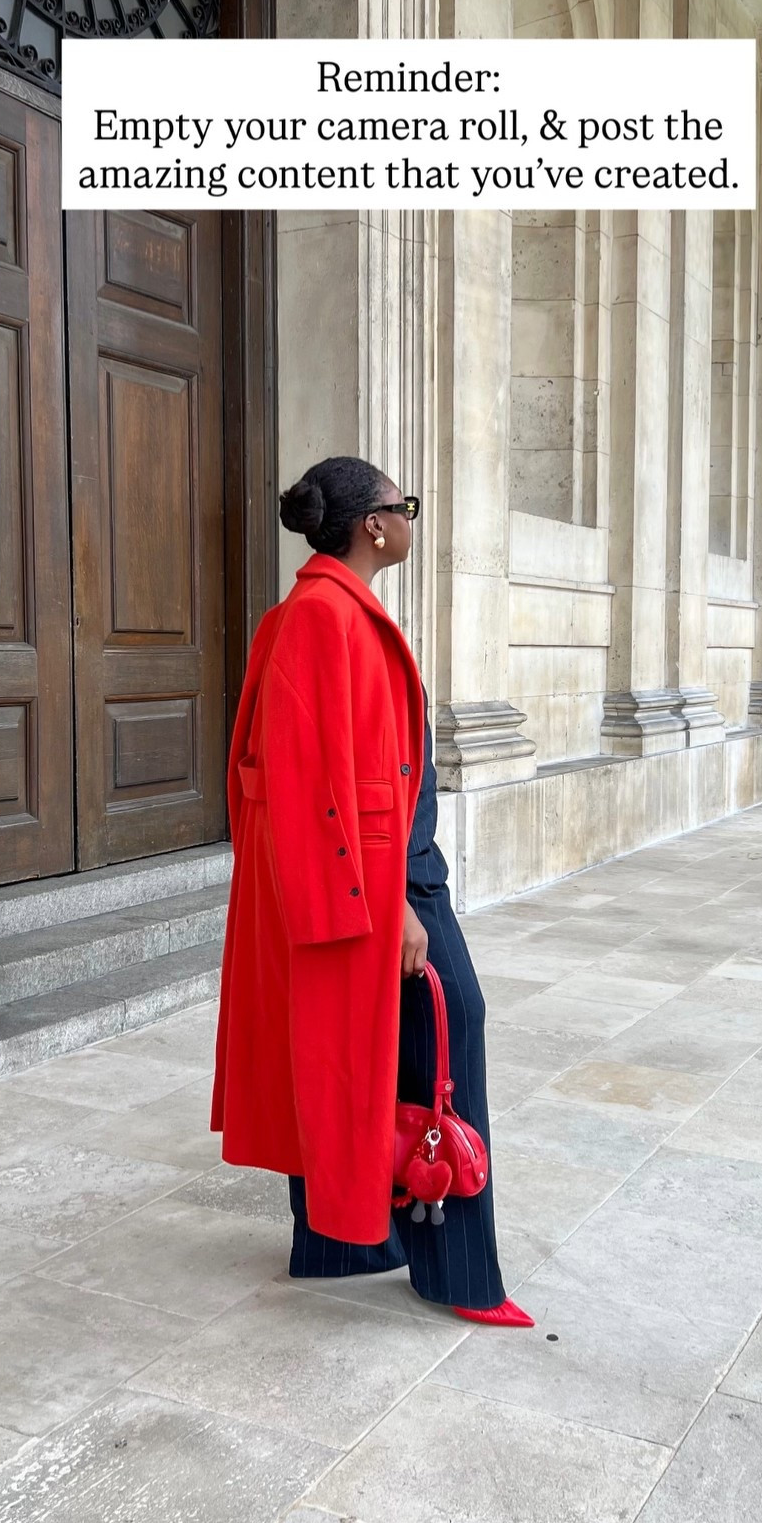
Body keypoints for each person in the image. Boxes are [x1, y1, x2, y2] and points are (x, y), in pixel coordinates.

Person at [211, 454, 532, 1327]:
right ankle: (460, 1274)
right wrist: (391, 913)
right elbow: (309, 780)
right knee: (448, 1031)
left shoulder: (328, 610)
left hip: (389, 869)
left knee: (360, 1056)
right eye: (405, 505)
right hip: (388, 880)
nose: (411, 518)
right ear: (373, 526)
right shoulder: (321, 616)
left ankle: (340, 1242)